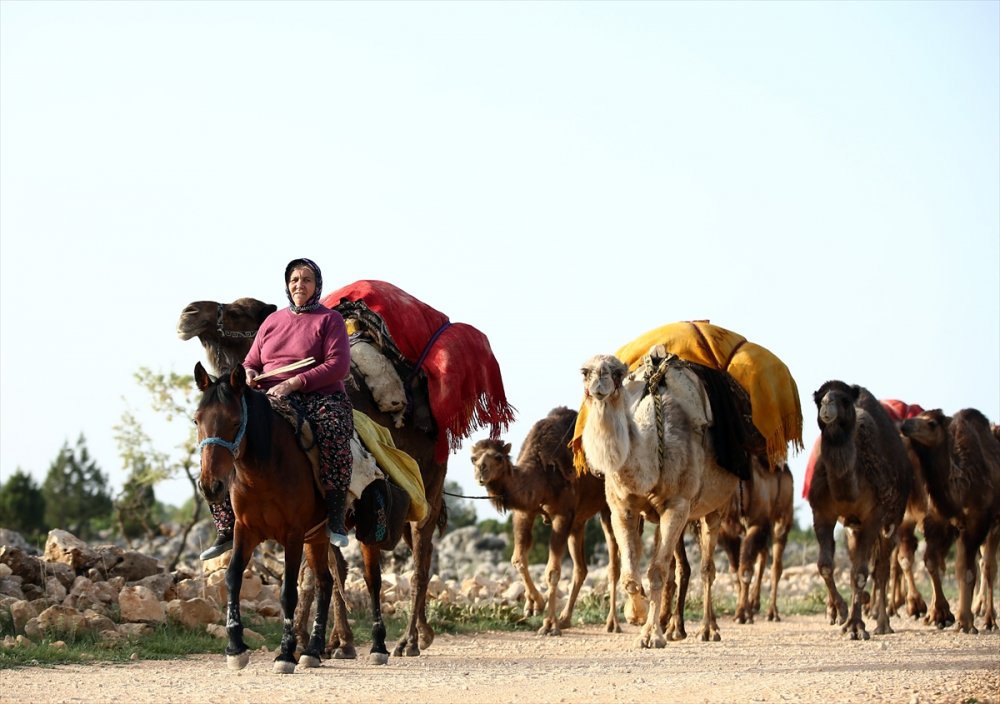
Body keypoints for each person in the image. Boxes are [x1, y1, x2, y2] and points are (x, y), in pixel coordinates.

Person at [200, 257, 355, 560]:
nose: (300, 285)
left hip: (318, 396)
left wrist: (295, 382)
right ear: (287, 285)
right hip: (269, 394)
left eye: (306, 279)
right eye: (294, 279)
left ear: (316, 285)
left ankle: (335, 517)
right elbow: (252, 361)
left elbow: (338, 365)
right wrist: (247, 373)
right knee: (218, 432)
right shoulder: (272, 322)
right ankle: (226, 523)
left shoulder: (330, 320)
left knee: (334, 432)